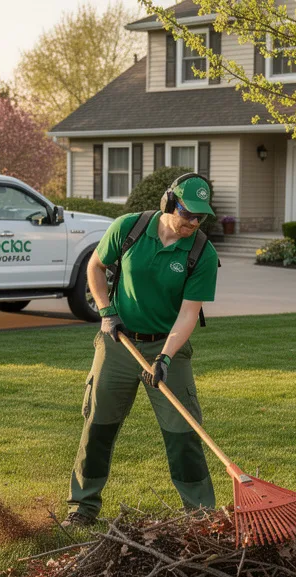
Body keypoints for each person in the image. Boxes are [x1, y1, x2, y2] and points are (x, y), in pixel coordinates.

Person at [64, 174, 220, 525]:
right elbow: (95, 266)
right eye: (187, 213)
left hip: (167, 345)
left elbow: (188, 312)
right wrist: (107, 312)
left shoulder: (201, 253)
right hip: (117, 342)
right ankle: (82, 508)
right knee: (98, 425)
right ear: (169, 203)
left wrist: (165, 356)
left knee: (184, 431)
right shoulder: (129, 228)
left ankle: (200, 515)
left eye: (200, 217)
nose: (193, 223)